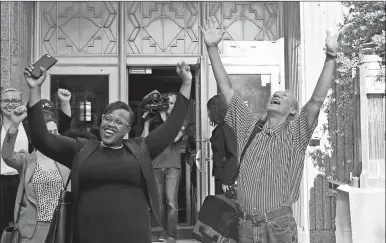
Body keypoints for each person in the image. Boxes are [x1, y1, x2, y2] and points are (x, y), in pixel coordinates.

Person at [200, 19, 351, 242]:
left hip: (278, 226)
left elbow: (316, 101)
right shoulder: (249, 128)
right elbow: (226, 89)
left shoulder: (296, 134)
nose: (278, 95)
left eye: (286, 96)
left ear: (293, 111)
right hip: (245, 225)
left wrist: (330, 57)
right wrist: (212, 48)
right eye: (276, 94)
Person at [23, 61, 192, 243]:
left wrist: (187, 83)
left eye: (119, 122)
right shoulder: (81, 149)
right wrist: (35, 89)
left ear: (127, 129)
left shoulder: (139, 149)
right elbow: (42, 139)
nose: (111, 124)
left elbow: (172, 127)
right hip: (89, 235)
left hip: (132, 236)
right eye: (108, 118)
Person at [1, 89, 72, 243]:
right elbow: (7, 155)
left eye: (55, 132)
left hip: (61, 226)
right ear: (40, 136)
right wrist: (14, 125)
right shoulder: (28, 160)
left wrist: (65, 103)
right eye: (48, 133)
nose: (53, 136)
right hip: (34, 229)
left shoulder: (66, 160)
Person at [141, 92, 187, 243]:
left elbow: (173, 137)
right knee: (158, 202)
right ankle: (163, 232)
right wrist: (147, 122)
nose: (169, 106)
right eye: (168, 103)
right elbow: (144, 141)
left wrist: (163, 116)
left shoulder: (181, 122)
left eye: (173, 103)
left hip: (172, 167)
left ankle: (172, 235)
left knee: (171, 201)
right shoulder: (156, 123)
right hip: (155, 166)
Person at [207, 95, 237, 195]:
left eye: (209, 110)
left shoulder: (226, 127)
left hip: (225, 177)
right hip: (221, 174)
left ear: (215, 110)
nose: (208, 114)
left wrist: (227, 180)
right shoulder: (222, 127)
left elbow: (234, 154)